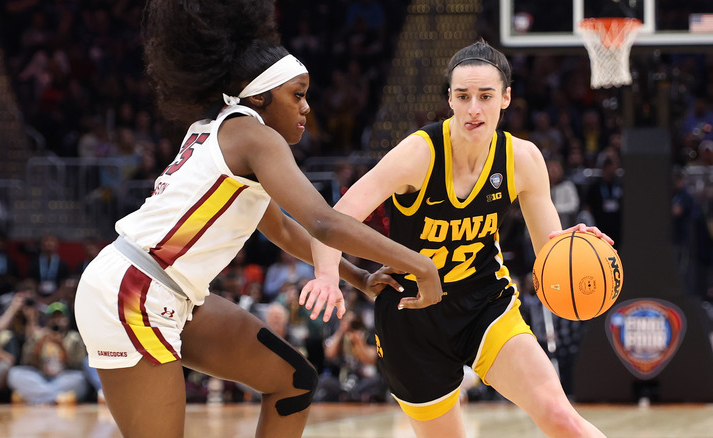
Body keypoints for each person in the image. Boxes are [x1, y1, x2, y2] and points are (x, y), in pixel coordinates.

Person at [74, 2, 442, 438]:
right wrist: (421, 264)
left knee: (294, 382)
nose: (307, 108)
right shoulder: (254, 136)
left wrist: (358, 278)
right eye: (298, 94)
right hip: (134, 291)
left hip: (166, 290)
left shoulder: (225, 131)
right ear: (260, 97)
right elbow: (323, 222)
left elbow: (286, 229)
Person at [303, 40, 611, 437]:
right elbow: (333, 220)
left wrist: (575, 247)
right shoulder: (418, 154)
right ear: (449, 99)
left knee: (559, 415)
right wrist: (328, 275)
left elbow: (550, 249)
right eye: (463, 96)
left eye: (485, 96)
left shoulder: (524, 159)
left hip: (484, 303)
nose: (474, 109)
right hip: (411, 318)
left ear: (506, 98)